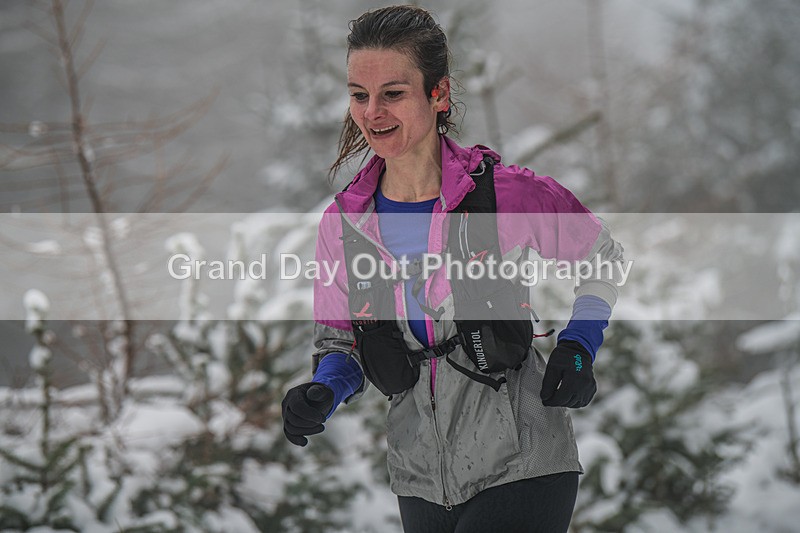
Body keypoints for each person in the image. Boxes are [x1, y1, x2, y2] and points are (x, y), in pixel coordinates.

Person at [281, 5, 624, 533]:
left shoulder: (503, 195)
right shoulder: (346, 223)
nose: (372, 112)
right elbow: (341, 343)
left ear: (437, 94)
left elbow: (603, 256)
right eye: (359, 95)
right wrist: (324, 392)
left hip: (523, 463)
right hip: (420, 479)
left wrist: (579, 346)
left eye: (392, 93)